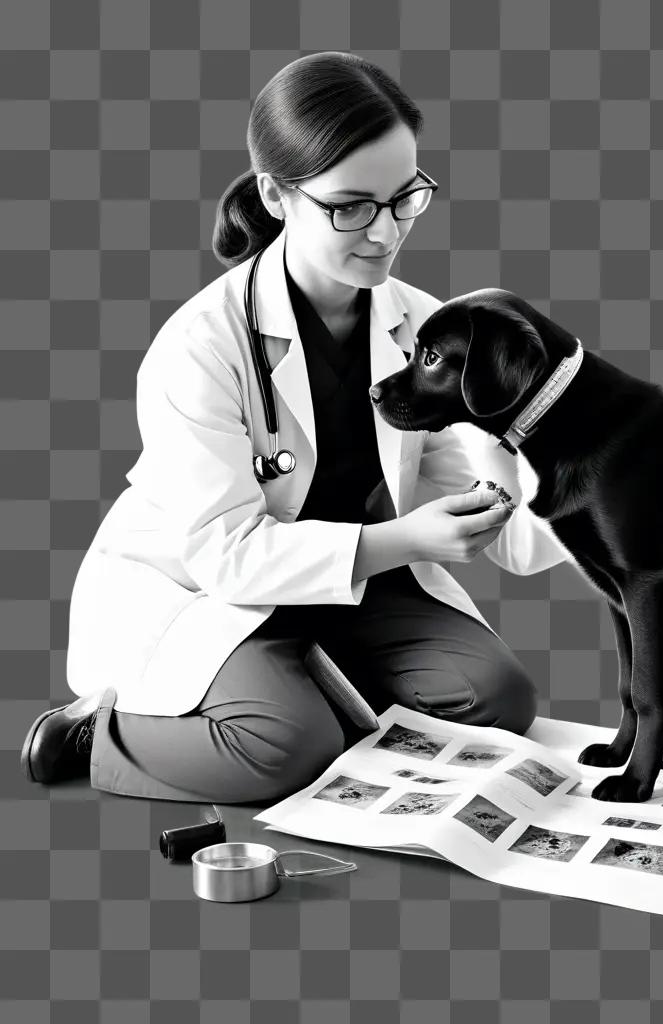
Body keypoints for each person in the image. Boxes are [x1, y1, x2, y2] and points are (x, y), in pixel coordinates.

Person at [21, 52, 568, 804]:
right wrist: (409, 539)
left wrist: (564, 462)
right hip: (210, 587)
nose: (384, 232)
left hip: (354, 577)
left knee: (497, 702)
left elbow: (488, 506)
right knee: (281, 749)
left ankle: (316, 691)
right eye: (351, 206)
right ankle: (99, 736)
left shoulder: (420, 320)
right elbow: (227, 558)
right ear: (277, 195)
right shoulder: (201, 346)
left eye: (405, 197)